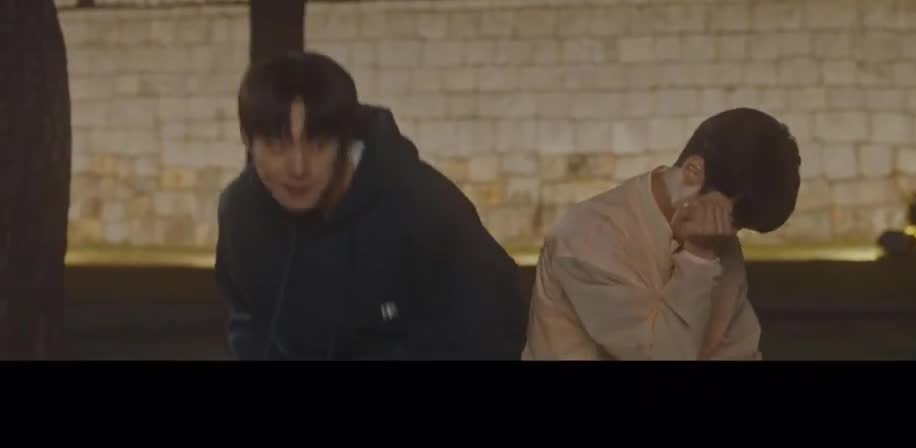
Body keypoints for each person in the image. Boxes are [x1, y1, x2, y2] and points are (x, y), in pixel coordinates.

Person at [214, 51, 526, 360]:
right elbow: (249, 329)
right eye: (277, 145)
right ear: (246, 139)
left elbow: (495, 327)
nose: (298, 167)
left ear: (343, 140)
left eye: (318, 144)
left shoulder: (425, 206)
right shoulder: (240, 213)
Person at [522, 107, 802, 360]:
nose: (728, 232)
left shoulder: (716, 236)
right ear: (693, 171)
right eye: (732, 219)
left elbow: (738, 349)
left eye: (737, 226)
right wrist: (697, 259)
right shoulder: (587, 239)